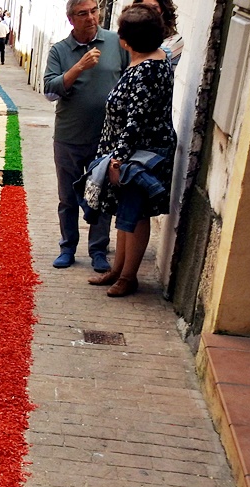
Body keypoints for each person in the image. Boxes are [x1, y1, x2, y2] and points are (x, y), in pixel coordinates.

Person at [78, 4, 175, 296]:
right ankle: (117, 270)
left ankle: (128, 277)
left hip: (139, 157)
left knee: (135, 214)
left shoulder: (147, 69)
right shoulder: (148, 61)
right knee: (125, 214)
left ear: (126, 40)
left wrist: (118, 159)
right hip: (131, 152)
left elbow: (136, 120)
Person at [43, 0, 129, 271]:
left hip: (105, 138)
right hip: (68, 136)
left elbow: (129, 79)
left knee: (101, 196)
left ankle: (98, 251)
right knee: (67, 197)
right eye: (83, 13)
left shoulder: (117, 43)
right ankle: (67, 247)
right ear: (71, 19)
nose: (91, 18)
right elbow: (49, 91)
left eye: (94, 11)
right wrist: (78, 67)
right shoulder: (59, 51)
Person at [133, 0, 182, 65]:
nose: (149, 12)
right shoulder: (132, 33)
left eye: (154, 8)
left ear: (163, 11)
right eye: (144, 7)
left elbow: (150, 63)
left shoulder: (175, 40)